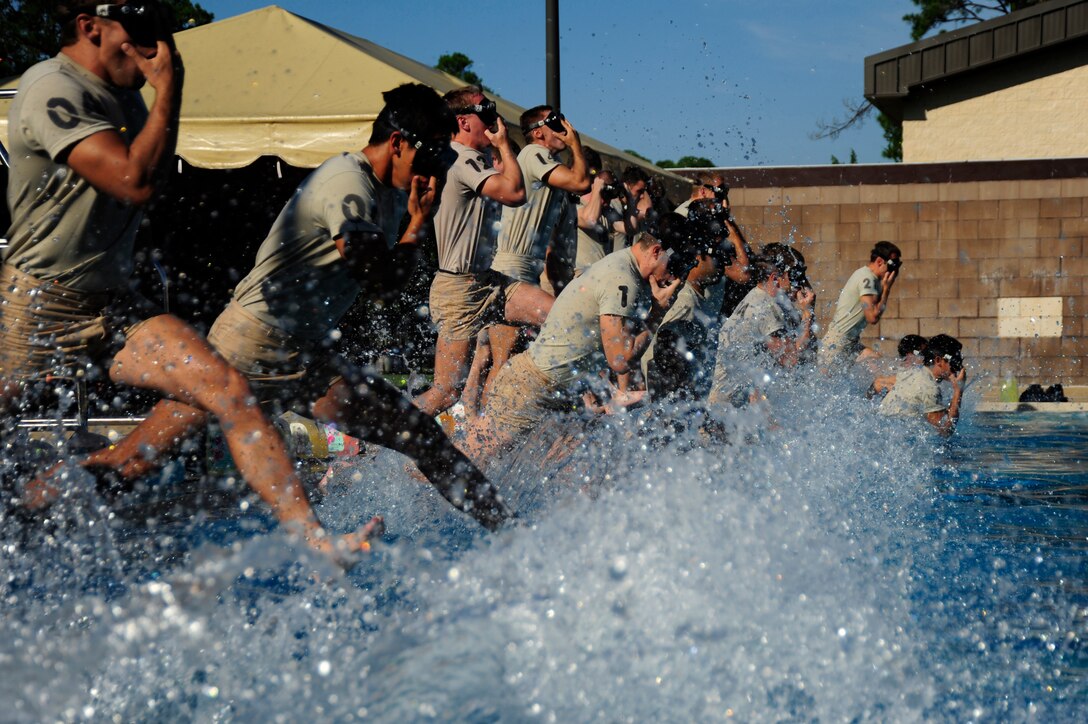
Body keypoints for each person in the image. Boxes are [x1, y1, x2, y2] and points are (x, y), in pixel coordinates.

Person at [0, 0, 380, 560]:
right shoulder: (52, 88)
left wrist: (160, 94)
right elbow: (130, 180)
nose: (159, 46)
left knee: (231, 391)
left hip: (111, 305)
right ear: (90, 27)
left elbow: (149, 179)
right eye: (142, 31)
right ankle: (30, 510)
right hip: (37, 303)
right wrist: (170, 89)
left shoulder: (129, 97)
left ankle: (316, 541)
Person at [63, 82, 513, 532]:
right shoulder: (348, 183)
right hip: (247, 345)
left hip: (301, 353)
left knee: (422, 437)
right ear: (397, 142)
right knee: (132, 461)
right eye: (431, 156)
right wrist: (417, 225)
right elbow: (381, 284)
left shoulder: (393, 188)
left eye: (443, 159)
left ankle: (509, 531)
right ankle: (38, 502)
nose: (435, 170)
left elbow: (387, 277)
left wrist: (415, 221)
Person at [460, 230, 693, 462]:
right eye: (675, 267)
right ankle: (423, 487)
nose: (675, 279)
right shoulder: (622, 278)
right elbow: (619, 359)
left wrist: (605, 392)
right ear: (656, 252)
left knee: (573, 476)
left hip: (561, 392)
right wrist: (659, 312)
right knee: (466, 463)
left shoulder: (626, 271)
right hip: (532, 387)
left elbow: (591, 341)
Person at [412, 86, 553, 419]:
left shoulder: (471, 159)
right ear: (463, 121)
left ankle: (525, 403)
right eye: (485, 113)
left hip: (489, 282)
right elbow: (516, 193)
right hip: (458, 290)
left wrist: (500, 150)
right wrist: (504, 143)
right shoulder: (458, 158)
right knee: (445, 394)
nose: (494, 119)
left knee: (561, 317)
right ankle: (370, 442)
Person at [485, 105, 591, 395]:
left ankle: (479, 421)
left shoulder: (550, 177)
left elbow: (555, 255)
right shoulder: (533, 154)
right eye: (555, 122)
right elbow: (582, 182)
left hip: (521, 272)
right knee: (562, 324)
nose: (565, 127)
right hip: (510, 269)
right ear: (537, 132)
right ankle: (484, 428)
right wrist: (575, 144)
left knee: (501, 361)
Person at [707, 247, 815, 408]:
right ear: (775, 278)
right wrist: (808, 314)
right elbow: (792, 360)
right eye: (792, 277)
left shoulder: (755, 296)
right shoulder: (767, 308)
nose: (797, 285)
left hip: (726, 401)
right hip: (725, 408)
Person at [818, 241, 902, 371]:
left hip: (850, 343)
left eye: (898, 265)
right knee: (825, 387)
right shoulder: (867, 279)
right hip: (836, 345)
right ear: (880, 262)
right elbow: (872, 317)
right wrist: (887, 289)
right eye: (893, 265)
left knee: (878, 363)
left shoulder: (870, 278)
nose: (895, 270)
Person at [879, 334, 965, 434]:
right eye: (955, 362)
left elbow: (878, 383)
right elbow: (945, 432)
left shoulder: (912, 371)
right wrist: (958, 390)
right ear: (938, 361)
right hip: (895, 437)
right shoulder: (930, 389)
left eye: (960, 361)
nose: (959, 367)